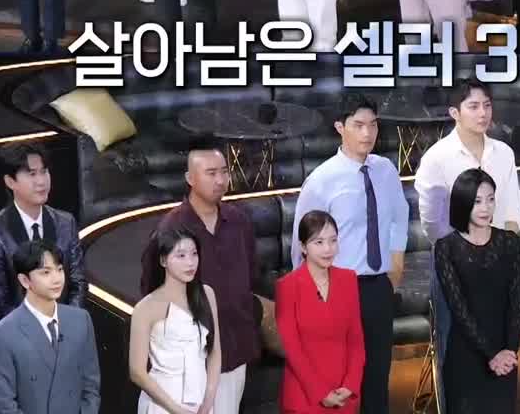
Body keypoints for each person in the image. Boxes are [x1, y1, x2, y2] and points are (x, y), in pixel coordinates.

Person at [291, 93, 410, 414]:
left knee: (377, 379)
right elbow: (300, 244)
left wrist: (396, 260)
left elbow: (400, 216)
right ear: (340, 127)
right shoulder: (321, 180)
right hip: (335, 290)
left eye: (373, 125)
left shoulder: (385, 170)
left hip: (378, 287)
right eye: (358, 125)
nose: (367, 133)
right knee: (336, 381)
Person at [138, 137, 259, 414]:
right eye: (211, 173)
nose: (221, 180)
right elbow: (151, 288)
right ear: (190, 178)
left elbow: (252, 275)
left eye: (224, 172)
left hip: (235, 348)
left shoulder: (239, 221)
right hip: (187, 360)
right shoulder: (171, 228)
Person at [0, 143, 86, 371]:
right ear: (10, 181)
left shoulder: (65, 223)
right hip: (15, 345)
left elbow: (78, 283)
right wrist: (42, 340)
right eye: (32, 174)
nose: (41, 181)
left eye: (44, 171)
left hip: (63, 338)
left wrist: (65, 331)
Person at [433, 169, 520, 414]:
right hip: (466, 350)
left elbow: (516, 302)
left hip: (505, 350)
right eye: (477, 201)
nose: (486, 208)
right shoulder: (446, 247)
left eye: (490, 199)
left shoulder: (510, 242)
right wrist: (491, 354)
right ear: (463, 203)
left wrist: (509, 351)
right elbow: (458, 308)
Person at [0, 240, 101, 414]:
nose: (56, 279)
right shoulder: (2, 336)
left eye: (59, 269)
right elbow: (4, 405)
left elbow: (91, 384)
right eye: (46, 272)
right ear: (25, 280)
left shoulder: (81, 320)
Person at [275, 211, 365, 414]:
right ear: (303, 247)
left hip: (343, 395)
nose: (328, 249)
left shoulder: (348, 280)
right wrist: (320, 393)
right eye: (319, 242)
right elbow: (293, 350)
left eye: (333, 240)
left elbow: (356, 340)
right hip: (304, 398)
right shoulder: (287, 287)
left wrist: (351, 384)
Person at [416, 80, 520, 243]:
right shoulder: (435, 159)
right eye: (474, 107)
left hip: (502, 249)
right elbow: (432, 223)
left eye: (487, 105)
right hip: (455, 253)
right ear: (455, 113)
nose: (483, 113)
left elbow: (512, 210)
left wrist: (504, 246)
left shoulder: (504, 153)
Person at [130, 228, 221, 414]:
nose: (190, 262)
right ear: (163, 260)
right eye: (181, 255)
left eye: (194, 254)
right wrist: (176, 410)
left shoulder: (207, 295)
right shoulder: (145, 308)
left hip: (201, 401)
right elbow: (137, 372)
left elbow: (215, 352)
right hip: (162, 404)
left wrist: (208, 402)